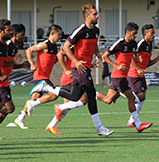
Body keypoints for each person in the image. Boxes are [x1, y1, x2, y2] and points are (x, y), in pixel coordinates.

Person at [40, 4, 113, 136]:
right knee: (91, 94)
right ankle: (99, 128)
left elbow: (94, 45)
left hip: (85, 68)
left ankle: (48, 89)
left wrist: (98, 55)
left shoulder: (96, 30)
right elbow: (66, 47)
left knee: (74, 96)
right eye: (95, 14)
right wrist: (76, 61)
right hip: (78, 69)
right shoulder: (79, 30)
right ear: (87, 16)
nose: (98, 16)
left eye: (97, 14)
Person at [97, 22, 146, 133]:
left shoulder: (133, 44)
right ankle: (138, 124)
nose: (135, 36)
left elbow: (133, 55)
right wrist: (116, 66)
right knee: (131, 98)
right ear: (127, 32)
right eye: (134, 33)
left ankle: (90, 94)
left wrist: (138, 62)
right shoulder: (119, 43)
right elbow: (105, 56)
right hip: (118, 76)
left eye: (136, 34)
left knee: (108, 100)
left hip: (119, 77)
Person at [14, 24, 63, 129]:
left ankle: (20, 118)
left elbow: (52, 61)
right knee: (54, 95)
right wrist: (32, 63)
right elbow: (29, 50)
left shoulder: (55, 47)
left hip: (45, 76)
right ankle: (30, 107)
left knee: (34, 99)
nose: (60, 37)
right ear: (52, 33)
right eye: (59, 34)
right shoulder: (44, 44)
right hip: (40, 76)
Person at [46, 48, 99, 134]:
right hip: (69, 79)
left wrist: (92, 65)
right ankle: (45, 90)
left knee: (68, 106)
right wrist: (66, 70)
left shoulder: (81, 47)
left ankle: (51, 125)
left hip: (76, 78)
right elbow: (59, 54)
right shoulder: (73, 46)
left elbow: (80, 64)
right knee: (83, 99)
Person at [126, 24, 159, 128]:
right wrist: (138, 68)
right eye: (152, 33)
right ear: (145, 34)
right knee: (140, 97)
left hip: (141, 75)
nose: (154, 35)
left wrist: (157, 59)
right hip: (133, 74)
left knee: (142, 98)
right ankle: (121, 91)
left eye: (154, 33)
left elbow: (147, 63)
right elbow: (130, 57)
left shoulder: (149, 46)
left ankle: (132, 121)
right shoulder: (140, 44)